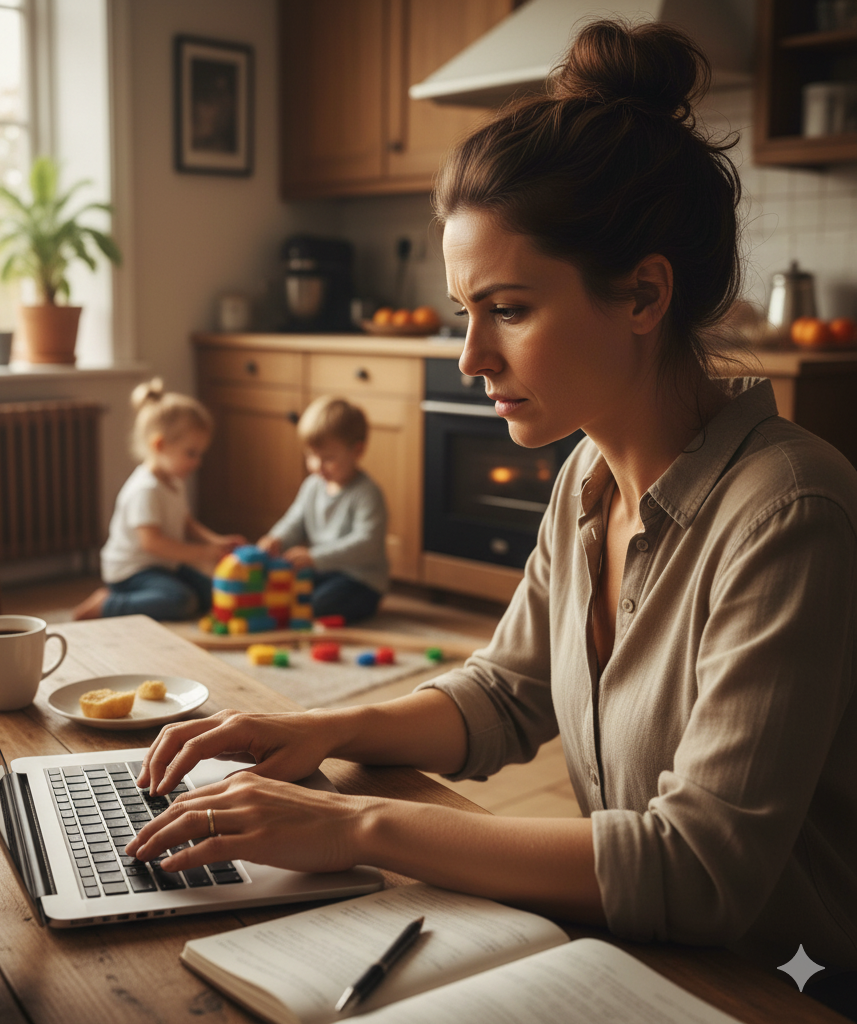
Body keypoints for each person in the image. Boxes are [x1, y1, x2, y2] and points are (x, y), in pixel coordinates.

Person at [125, 20, 857, 1016]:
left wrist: (355, 827)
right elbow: (506, 693)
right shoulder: (586, 478)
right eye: (464, 309)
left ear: (644, 293)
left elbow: (697, 867)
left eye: (507, 308)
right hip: (633, 952)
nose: (470, 355)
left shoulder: (788, 512)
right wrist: (311, 730)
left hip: (787, 983)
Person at [73, 378, 245, 622]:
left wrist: (216, 541)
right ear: (160, 445)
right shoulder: (145, 489)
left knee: (212, 592)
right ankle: (108, 604)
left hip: (162, 565)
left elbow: (185, 522)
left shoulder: (174, 481)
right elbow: (152, 543)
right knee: (181, 601)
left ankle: (141, 596)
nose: (198, 462)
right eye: (191, 453)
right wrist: (203, 552)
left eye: (200, 454)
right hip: (132, 572)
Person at [256, 395, 389, 623]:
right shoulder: (313, 486)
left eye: (328, 458)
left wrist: (314, 557)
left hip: (360, 580)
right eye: (310, 456)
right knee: (285, 592)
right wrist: (276, 539)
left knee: (313, 605)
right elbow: (295, 521)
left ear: (357, 451)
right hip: (324, 570)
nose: (317, 465)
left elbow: (367, 544)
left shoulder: (367, 493)